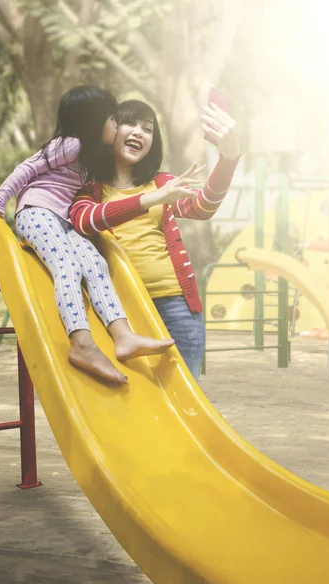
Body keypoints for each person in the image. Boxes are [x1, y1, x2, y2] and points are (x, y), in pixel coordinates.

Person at [0, 86, 177, 385]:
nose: (117, 125)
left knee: (96, 264)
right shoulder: (71, 145)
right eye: (113, 119)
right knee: (68, 267)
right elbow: (26, 169)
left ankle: (123, 336)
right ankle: (82, 343)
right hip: (37, 211)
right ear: (95, 123)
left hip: (62, 219)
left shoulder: (95, 157)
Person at [70, 99, 240, 380]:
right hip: (118, 312)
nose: (139, 132)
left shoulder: (162, 183)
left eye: (147, 129)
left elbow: (204, 207)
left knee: (187, 396)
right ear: (110, 131)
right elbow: (85, 221)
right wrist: (152, 199)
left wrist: (229, 159)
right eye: (129, 123)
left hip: (176, 306)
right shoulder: (88, 188)